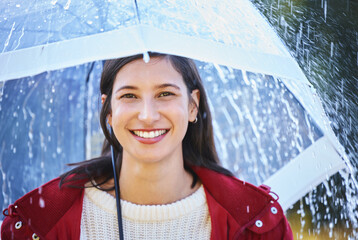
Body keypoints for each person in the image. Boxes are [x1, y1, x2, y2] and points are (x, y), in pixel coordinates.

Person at [1, 53, 293, 239]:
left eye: (165, 93)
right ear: (109, 110)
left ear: (193, 106)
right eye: (129, 96)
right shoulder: (36, 227)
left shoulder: (258, 227)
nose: (148, 115)